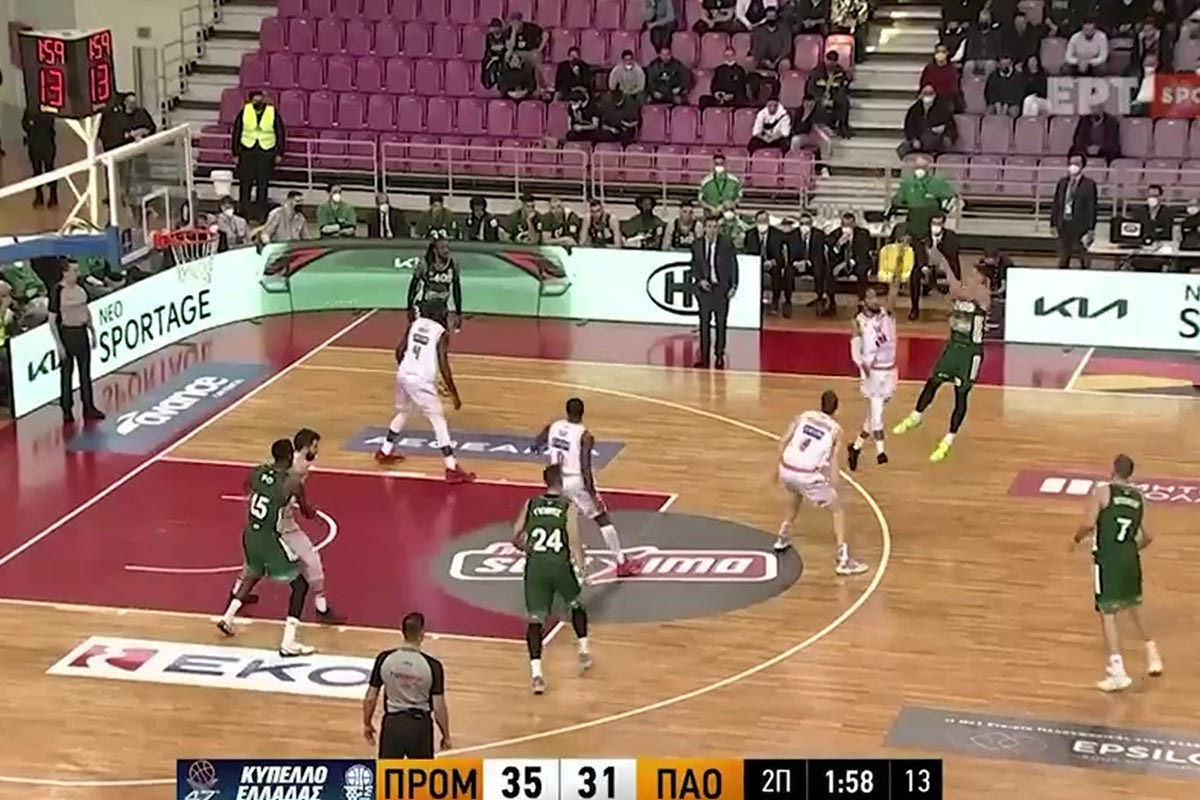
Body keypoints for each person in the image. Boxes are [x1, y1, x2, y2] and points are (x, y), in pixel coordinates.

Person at [1070, 454, 1162, 693]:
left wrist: (1076, 539)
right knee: (1135, 605)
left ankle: (1117, 671)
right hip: (1130, 558)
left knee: (1107, 612)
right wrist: (1131, 549)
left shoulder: (1103, 492)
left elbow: (1089, 523)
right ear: (1131, 473)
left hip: (1107, 559)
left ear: (1113, 470)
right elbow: (1149, 535)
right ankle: (1152, 653)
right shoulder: (1140, 497)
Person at [217, 438, 315, 656]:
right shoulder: (292, 482)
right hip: (268, 538)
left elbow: (247, 489)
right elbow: (307, 512)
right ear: (289, 457)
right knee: (300, 585)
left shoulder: (258, 471)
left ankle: (228, 617)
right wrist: (309, 509)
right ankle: (288, 643)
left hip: (249, 533)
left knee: (254, 572)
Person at [892, 249, 992, 462]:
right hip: (953, 346)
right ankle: (916, 416)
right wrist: (941, 260)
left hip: (970, 352)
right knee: (933, 381)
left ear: (983, 279)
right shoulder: (964, 289)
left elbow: (963, 293)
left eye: (974, 275)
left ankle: (948, 439)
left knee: (960, 395)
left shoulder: (983, 295)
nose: (970, 277)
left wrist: (951, 275)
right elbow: (955, 288)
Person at [514, 464, 595, 694]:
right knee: (576, 604)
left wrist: (527, 549)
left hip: (536, 568)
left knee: (535, 621)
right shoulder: (567, 506)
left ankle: (537, 676)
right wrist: (582, 569)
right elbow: (573, 540)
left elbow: (515, 535)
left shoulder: (531, 504)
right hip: (559, 565)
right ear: (561, 481)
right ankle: (584, 651)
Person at [375, 299, 476, 483]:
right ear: (438, 314)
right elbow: (444, 365)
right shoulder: (440, 333)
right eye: (444, 312)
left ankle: (384, 451)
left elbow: (399, 351)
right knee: (439, 420)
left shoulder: (415, 324)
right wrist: (454, 394)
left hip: (403, 374)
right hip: (421, 382)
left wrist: (409, 370)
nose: (446, 314)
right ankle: (451, 467)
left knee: (405, 412)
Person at [773, 390, 869, 575]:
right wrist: (835, 485)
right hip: (806, 475)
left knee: (795, 493)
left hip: (786, 468)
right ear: (837, 408)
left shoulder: (804, 416)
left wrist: (776, 470)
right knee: (838, 509)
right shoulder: (835, 430)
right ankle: (843, 560)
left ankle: (783, 535)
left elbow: (783, 441)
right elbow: (833, 461)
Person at [535, 397, 634, 576]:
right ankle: (621, 562)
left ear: (566, 411)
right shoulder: (585, 436)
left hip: (556, 481)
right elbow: (585, 467)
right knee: (602, 518)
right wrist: (592, 493)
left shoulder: (554, 426)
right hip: (575, 481)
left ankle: (553, 558)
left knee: (561, 520)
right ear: (583, 412)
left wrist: (544, 446)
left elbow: (538, 442)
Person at [363, 611, 452, 757]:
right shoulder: (433, 666)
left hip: (392, 726)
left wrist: (367, 723)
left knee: (389, 772)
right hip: (420, 727)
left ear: (402, 631)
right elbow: (438, 707)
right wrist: (446, 735)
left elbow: (371, 697)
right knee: (420, 771)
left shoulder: (384, 659)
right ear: (422, 634)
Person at [848, 265, 901, 471]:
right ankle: (881, 452)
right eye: (870, 298)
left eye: (875, 297)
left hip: (890, 371)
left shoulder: (886, 314)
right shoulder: (858, 322)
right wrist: (863, 369)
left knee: (872, 416)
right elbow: (855, 350)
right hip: (874, 372)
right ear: (862, 302)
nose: (875, 301)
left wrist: (897, 275)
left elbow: (893, 294)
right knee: (877, 415)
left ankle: (855, 447)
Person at [49, 262, 104, 423]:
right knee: (67, 374)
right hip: (67, 333)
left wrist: (92, 331)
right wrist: (59, 344)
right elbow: (52, 320)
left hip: (81, 332)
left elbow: (85, 310)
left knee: (85, 372)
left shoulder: (80, 289)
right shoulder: (57, 291)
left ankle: (89, 406)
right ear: (65, 272)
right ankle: (67, 408)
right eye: (74, 270)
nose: (77, 273)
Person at [690, 216, 739, 369]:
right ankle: (704, 357)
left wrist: (734, 286)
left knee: (721, 323)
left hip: (721, 289)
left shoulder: (726, 243)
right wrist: (700, 280)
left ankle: (719, 355)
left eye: (715, 227)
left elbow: (733, 265)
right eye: (709, 227)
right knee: (704, 323)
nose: (712, 230)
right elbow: (694, 266)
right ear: (705, 228)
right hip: (704, 290)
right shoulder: (697, 244)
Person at [232, 89, 284, 221]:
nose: (258, 101)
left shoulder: (272, 112)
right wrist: (235, 152)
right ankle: (244, 213)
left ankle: (261, 214)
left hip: (266, 151)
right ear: (251, 100)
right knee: (245, 184)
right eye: (255, 99)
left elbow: (280, 132)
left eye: (260, 99)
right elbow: (237, 131)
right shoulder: (244, 111)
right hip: (247, 151)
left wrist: (279, 152)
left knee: (263, 184)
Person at [1049, 154, 1098, 269]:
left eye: (1076, 164)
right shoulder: (1062, 183)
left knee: (1083, 258)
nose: (1073, 166)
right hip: (1064, 224)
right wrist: (1053, 223)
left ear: (1082, 166)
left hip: (1081, 226)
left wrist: (1091, 228)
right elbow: (1056, 203)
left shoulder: (1089, 184)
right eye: (1071, 163)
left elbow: (1092, 207)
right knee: (1063, 258)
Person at [407, 238, 463, 328]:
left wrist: (458, 312)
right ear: (435, 250)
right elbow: (414, 286)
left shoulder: (453, 265)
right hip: (425, 308)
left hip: (442, 309)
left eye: (447, 247)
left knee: (442, 334)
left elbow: (456, 288)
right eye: (442, 248)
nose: (446, 250)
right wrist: (410, 307)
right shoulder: (425, 264)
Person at [899, 86, 958, 157]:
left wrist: (943, 129)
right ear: (920, 95)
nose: (928, 96)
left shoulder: (942, 109)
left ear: (935, 95)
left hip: (936, 139)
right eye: (925, 93)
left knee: (930, 140)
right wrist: (914, 139)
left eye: (930, 93)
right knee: (902, 149)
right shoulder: (914, 110)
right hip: (918, 139)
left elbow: (951, 127)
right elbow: (908, 128)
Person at [808, 51, 851, 138]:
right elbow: (811, 88)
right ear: (825, 60)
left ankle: (841, 127)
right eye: (829, 60)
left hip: (834, 96)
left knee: (844, 102)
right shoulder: (817, 71)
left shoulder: (840, 72)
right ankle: (821, 128)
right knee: (818, 105)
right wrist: (821, 97)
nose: (831, 63)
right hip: (820, 96)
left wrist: (833, 99)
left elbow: (842, 88)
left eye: (833, 61)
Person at [827, 212, 873, 291]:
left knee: (861, 270)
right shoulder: (835, 234)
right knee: (829, 269)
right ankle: (830, 296)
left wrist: (848, 262)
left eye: (849, 225)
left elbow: (863, 253)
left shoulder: (863, 234)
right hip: (840, 262)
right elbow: (831, 254)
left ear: (854, 224)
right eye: (844, 225)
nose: (846, 228)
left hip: (857, 262)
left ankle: (862, 295)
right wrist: (838, 244)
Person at [22, 108, 57, 208]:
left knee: (48, 170)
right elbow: (24, 124)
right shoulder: (31, 110)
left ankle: (52, 196)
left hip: (45, 144)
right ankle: (40, 196)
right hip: (37, 144)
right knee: (38, 171)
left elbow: (26, 124)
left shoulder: (40, 110)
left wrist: (32, 126)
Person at [918, 45, 960, 110]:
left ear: (947, 53)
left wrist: (935, 92)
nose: (940, 54)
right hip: (929, 97)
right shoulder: (929, 68)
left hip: (945, 100)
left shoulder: (952, 70)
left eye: (943, 52)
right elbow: (923, 84)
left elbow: (953, 90)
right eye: (938, 52)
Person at [482, 17, 508, 89]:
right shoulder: (489, 36)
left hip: (502, 57)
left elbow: (505, 48)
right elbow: (489, 48)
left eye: (497, 27)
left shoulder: (505, 37)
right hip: (491, 57)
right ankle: (488, 81)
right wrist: (492, 58)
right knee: (487, 65)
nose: (496, 29)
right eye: (494, 27)